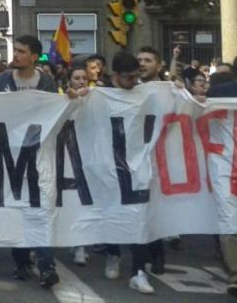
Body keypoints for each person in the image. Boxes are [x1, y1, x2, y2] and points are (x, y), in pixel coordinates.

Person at [0, 36, 59, 289]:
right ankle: (20, 260)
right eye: (15, 50)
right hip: (8, 154)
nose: (16, 55)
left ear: (34, 57)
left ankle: (46, 265)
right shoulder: (1, 81)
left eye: (21, 51)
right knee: (14, 208)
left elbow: (55, 111)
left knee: (39, 209)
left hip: (37, 153)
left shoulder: (47, 82)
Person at [106, 50, 156, 294]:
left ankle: (138, 272)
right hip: (107, 166)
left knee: (140, 217)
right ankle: (113, 253)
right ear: (116, 75)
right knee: (112, 213)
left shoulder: (144, 92)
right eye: (129, 77)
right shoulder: (99, 94)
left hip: (137, 165)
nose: (134, 82)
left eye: (137, 77)